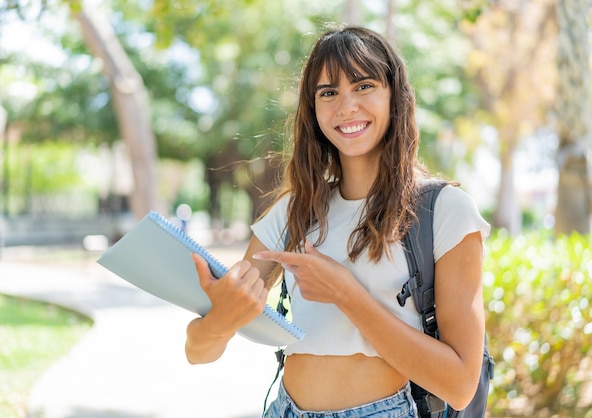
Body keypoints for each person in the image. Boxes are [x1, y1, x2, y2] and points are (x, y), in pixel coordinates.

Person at [185, 25, 491, 417]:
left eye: (363, 86)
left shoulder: (444, 210)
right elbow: (198, 352)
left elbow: (460, 385)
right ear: (313, 109)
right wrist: (221, 320)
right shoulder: (295, 210)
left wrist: (346, 294)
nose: (346, 107)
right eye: (328, 93)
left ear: (395, 97)